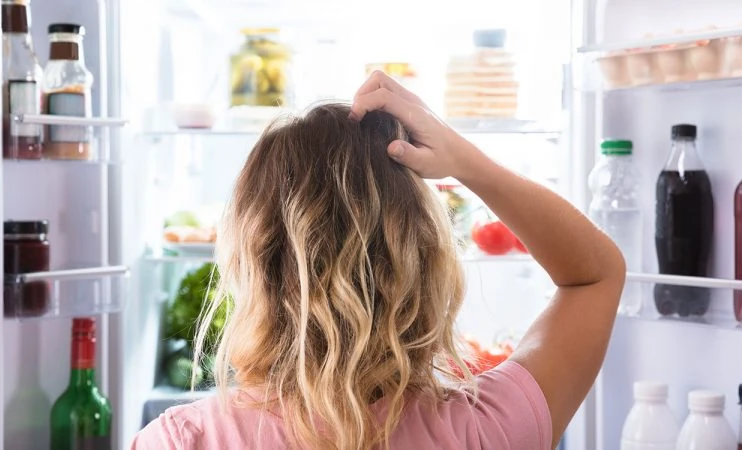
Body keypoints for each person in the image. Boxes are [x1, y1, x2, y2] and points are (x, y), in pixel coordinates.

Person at [132, 71, 625, 450]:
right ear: (425, 255)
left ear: (252, 260)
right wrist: (461, 159)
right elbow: (595, 276)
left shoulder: (182, 440)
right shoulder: (486, 427)